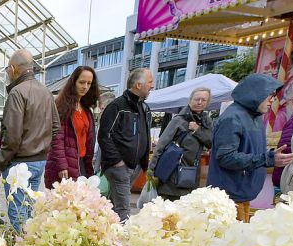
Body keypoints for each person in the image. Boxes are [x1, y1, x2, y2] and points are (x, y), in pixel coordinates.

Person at [209, 73, 293, 222]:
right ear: (256, 93)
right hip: (230, 198)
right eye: (270, 95)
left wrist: (268, 156)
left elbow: (249, 150)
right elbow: (226, 157)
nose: (273, 100)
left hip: (241, 193)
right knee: (232, 240)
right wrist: (267, 158)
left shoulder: (254, 116)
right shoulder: (233, 118)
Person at [0, 49, 60, 230]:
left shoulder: (17, 92)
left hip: (19, 162)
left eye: (7, 70)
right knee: (29, 209)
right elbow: (55, 126)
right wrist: (42, 144)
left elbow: (12, 135)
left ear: (13, 68)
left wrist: (1, 161)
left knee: (17, 212)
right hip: (39, 160)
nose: (7, 74)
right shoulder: (46, 92)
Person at [98, 68, 154, 220]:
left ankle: (103, 231)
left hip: (134, 166)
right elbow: (104, 135)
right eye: (150, 82)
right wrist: (117, 162)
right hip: (120, 167)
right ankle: (124, 240)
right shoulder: (117, 106)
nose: (152, 86)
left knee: (112, 204)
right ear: (138, 85)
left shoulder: (144, 108)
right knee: (123, 208)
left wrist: (143, 164)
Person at [146, 87, 213, 200]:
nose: (200, 102)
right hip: (172, 171)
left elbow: (211, 143)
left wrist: (198, 130)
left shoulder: (206, 122)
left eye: (203, 100)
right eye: (197, 99)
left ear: (207, 102)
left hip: (191, 174)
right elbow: (161, 144)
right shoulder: (179, 120)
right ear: (190, 100)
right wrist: (151, 168)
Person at [46, 65, 100, 188]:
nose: (85, 86)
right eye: (81, 82)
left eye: (89, 83)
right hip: (64, 165)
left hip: (82, 164)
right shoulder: (61, 107)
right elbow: (56, 138)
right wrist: (62, 165)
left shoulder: (86, 110)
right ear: (73, 82)